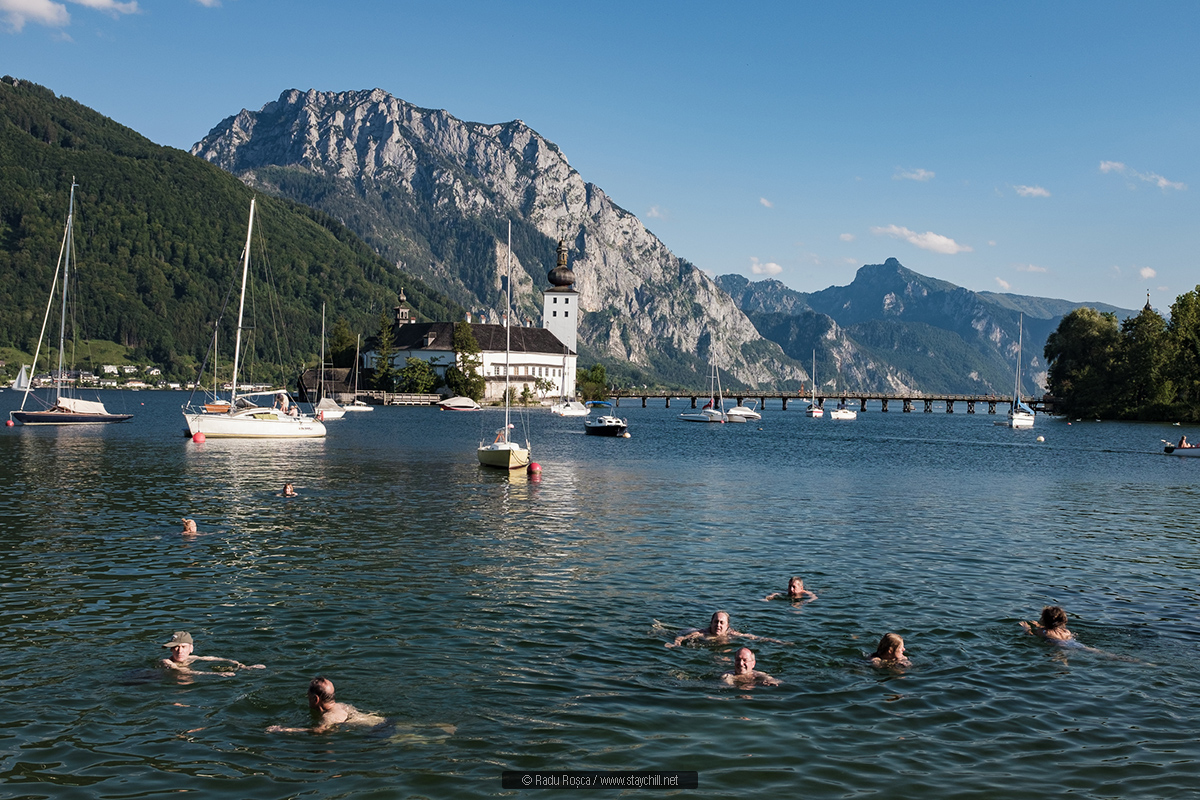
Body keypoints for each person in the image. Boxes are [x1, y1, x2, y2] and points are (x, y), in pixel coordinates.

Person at [267, 676, 386, 734]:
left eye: (307, 695)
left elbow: (319, 731)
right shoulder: (342, 706)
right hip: (383, 722)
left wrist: (284, 729)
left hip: (379, 731)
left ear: (315, 699)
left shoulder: (328, 717)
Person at [160, 631, 265, 674]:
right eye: (176, 647)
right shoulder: (167, 662)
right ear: (171, 649)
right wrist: (216, 674)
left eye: (183, 647)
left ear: (191, 649)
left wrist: (243, 666)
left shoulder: (192, 658)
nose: (180, 651)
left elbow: (213, 658)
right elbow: (184, 671)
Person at [667, 611, 779, 648]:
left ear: (727, 626)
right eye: (716, 622)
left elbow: (752, 637)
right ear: (711, 623)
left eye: (722, 623)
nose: (718, 625)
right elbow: (682, 637)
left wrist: (775, 641)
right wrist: (676, 643)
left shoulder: (732, 633)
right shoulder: (702, 633)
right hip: (687, 630)